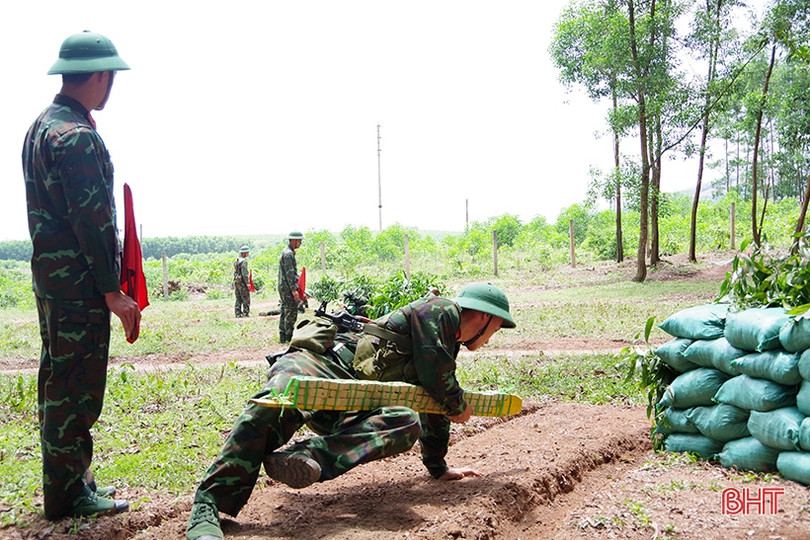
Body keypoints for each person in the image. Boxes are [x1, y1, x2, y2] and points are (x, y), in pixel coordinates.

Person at [185, 282, 515, 540]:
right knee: (279, 398)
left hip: (354, 401)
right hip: (325, 364)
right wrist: (458, 404)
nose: (491, 338)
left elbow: (429, 402)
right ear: (485, 317)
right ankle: (208, 505)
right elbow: (438, 381)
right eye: (498, 328)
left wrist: (438, 466)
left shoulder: (446, 345)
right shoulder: (442, 310)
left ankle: (307, 457)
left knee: (404, 420)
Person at [21, 30, 140, 520]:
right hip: (79, 289)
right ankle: (70, 495)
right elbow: (92, 219)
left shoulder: (41, 127)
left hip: (53, 283)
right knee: (76, 388)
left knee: (57, 381)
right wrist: (113, 291)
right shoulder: (77, 136)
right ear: (100, 75)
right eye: (110, 76)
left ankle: (68, 482)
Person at [277, 231, 304, 343]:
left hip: (284, 287)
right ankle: (288, 337)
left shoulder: (287, 252)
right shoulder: (288, 254)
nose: (301, 243)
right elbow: (290, 274)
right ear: (293, 240)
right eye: (299, 240)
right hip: (288, 288)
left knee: (284, 311)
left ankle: (283, 337)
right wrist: (294, 290)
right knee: (291, 312)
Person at [233, 245, 251, 318]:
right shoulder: (244, 262)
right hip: (242, 282)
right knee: (246, 298)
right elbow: (245, 274)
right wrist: (247, 283)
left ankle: (238, 313)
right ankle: (245, 313)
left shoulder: (236, 260)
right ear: (244, 253)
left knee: (238, 298)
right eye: (247, 252)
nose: (248, 254)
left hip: (237, 281)